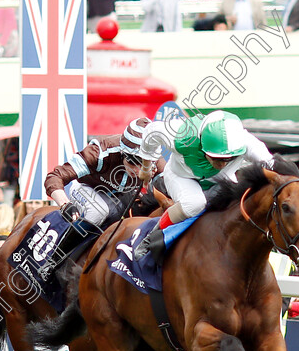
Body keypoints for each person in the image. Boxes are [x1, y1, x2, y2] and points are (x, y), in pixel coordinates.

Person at [133, 110, 273, 260]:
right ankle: (152, 236)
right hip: (181, 176)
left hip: (221, 180)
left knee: (239, 203)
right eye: (216, 158)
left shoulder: (247, 143)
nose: (221, 164)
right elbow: (150, 132)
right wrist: (146, 169)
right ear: (201, 143)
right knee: (195, 203)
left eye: (228, 159)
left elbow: (273, 164)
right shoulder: (179, 135)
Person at [43, 118, 154, 272]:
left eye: (145, 163)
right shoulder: (99, 152)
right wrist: (65, 204)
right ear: (123, 152)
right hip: (87, 188)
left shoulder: (158, 164)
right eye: (133, 161)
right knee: (98, 211)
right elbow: (54, 177)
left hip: (120, 197)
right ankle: (54, 261)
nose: (138, 169)